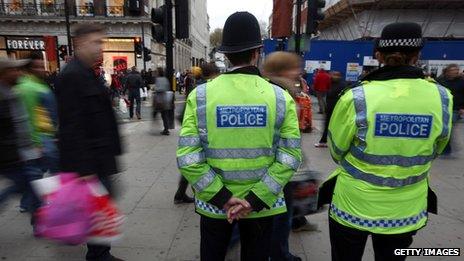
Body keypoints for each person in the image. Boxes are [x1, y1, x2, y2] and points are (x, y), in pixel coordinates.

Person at [318, 22, 452, 261]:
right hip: (406, 209)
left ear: (378, 55)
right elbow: (438, 147)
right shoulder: (442, 96)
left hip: (353, 204)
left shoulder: (356, 96)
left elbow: (337, 149)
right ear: (417, 55)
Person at [176, 12, 301, 260]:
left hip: (214, 205)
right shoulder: (280, 97)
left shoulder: (200, 96)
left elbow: (188, 158)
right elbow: (290, 157)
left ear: (225, 54)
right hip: (262, 207)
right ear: (257, 51)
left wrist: (223, 198)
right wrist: (254, 200)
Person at [54, 24, 123, 261]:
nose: (99, 48)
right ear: (80, 43)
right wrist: (83, 169)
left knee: (102, 203)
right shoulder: (71, 76)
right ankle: (98, 254)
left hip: (99, 155)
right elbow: (70, 127)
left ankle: (99, 251)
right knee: (97, 207)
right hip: (89, 160)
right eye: (95, 43)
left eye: (101, 43)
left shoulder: (87, 72)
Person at [262, 51, 312, 261]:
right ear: (282, 70)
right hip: (283, 168)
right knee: (282, 216)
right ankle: (280, 255)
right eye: (294, 67)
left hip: (268, 164)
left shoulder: (265, 89)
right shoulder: (284, 93)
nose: (299, 71)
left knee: (274, 215)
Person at [16, 52, 60, 212]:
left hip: (44, 137)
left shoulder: (39, 85)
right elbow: (27, 117)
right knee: (52, 172)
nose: (42, 69)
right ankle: (48, 205)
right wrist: (37, 142)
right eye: (37, 66)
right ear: (29, 69)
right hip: (41, 139)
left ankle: (28, 204)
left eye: (43, 65)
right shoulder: (29, 87)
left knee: (36, 174)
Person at [0, 58, 41, 214]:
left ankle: (38, 218)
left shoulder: (11, 92)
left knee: (29, 184)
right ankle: (40, 218)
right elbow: (14, 127)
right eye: (14, 70)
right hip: (11, 154)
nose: (19, 73)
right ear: (4, 73)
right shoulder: (4, 96)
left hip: (19, 151)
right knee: (25, 184)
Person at [436, 64, 464, 155]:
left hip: (455, 108)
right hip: (442, 107)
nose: (455, 73)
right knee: (442, 127)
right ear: (447, 71)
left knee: (449, 128)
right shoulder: (440, 81)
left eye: (456, 71)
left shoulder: (461, 81)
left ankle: (447, 149)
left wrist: (462, 108)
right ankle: (445, 147)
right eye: (453, 71)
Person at [315, 71, 347, 148]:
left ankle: (324, 141)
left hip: (334, 107)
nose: (333, 76)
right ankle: (325, 140)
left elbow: (332, 94)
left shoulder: (340, 85)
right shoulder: (334, 83)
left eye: (335, 75)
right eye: (333, 75)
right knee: (330, 125)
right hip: (331, 107)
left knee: (329, 125)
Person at [152, 67, 172, 136]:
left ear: (159, 72)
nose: (156, 73)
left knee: (158, 113)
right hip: (165, 99)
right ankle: (166, 129)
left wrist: (155, 88)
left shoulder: (159, 79)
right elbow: (167, 87)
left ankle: (164, 129)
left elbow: (160, 88)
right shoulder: (165, 79)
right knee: (164, 115)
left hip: (160, 99)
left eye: (157, 71)